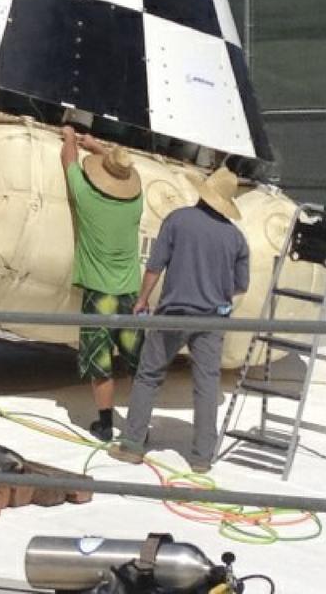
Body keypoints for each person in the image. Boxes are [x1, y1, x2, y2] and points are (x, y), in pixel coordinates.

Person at [109, 167, 249, 474]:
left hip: (173, 313)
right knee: (206, 385)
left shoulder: (178, 220)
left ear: (203, 192)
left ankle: (132, 445)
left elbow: (155, 266)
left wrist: (142, 300)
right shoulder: (236, 238)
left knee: (149, 376)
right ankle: (201, 458)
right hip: (213, 320)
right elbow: (241, 285)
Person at [61, 124, 144, 443]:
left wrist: (72, 138)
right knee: (137, 364)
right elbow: (126, 169)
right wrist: (99, 147)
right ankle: (138, 427)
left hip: (100, 296)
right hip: (131, 295)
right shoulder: (136, 202)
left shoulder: (86, 197)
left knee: (101, 361)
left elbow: (69, 161)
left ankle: (106, 425)